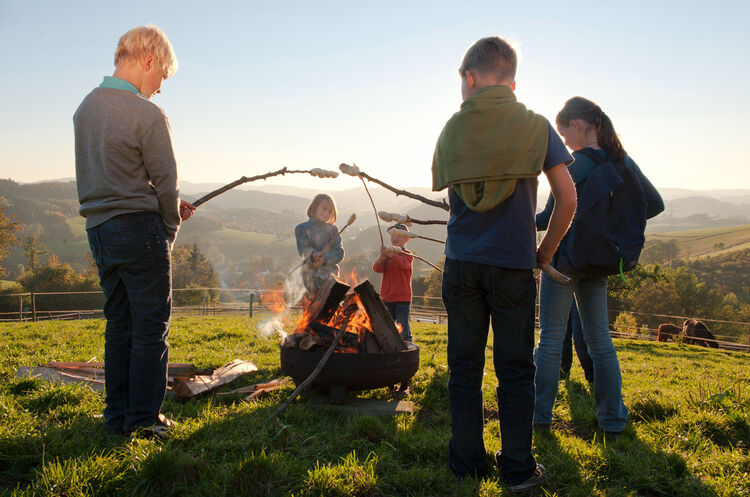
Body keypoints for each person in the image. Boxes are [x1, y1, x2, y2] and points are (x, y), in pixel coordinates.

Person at [431, 37, 577, 490]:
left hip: (461, 265)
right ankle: (517, 469)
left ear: (469, 78)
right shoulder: (534, 125)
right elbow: (567, 198)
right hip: (514, 266)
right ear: (511, 82)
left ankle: (466, 462)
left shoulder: (452, 129)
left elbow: (453, 193)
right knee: (515, 369)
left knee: (464, 366)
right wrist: (545, 251)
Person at [74, 24, 196, 437]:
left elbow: (112, 174)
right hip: (141, 232)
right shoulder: (149, 114)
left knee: (119, 324)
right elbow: (167, 185)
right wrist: (169, 228)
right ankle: (144, 420)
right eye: (163, 75)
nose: (161, 88)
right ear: (149, 61)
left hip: (100, 230)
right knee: (150, 327)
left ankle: (117, 417)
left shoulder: (85, 108)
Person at [533, 96, 664, 435]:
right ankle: (612, 419)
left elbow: (548, 217)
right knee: (600, 341)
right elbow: (654, 204)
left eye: (564, 135)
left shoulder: (574, 165)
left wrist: (511, 220)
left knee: (550, 337)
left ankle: (539, 416)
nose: (564, 143)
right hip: (601, 261)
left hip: (563, 262)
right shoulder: (624, 162)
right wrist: (611, 228)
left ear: (577, 125)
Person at [295, 193, 344, 295]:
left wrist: (325, 259)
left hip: (332, 277)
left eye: (330, 211)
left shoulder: (333, 230)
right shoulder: (302, 228)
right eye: (324, 209)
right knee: (317, 307)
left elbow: (339, 253)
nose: (326, 213)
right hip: (311, 277)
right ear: (314, 207)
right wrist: (314, 255)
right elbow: (304, 250)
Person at [372, 223, 414, 342]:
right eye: (393, 235)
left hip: (402, 298)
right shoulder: (387, 254)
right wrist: (381, 257)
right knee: (387, 326)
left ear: (407, 239)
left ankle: (407, 345)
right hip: (387, 297)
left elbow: (404, 264)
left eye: (399, 235)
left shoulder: (407, 254)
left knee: (403, 328)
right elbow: (377, 269)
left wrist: (392, 256)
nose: (395, 238)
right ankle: (390, 345)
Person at [559, 303, 594, 383]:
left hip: (578, 296)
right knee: (563, 337)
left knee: (580, 338)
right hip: (561, 295)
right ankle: (563, 371)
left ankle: (592, 375)